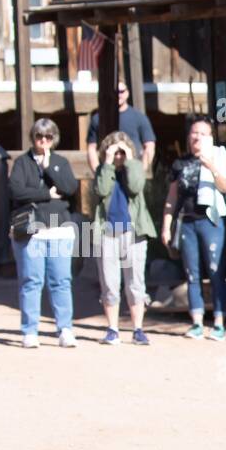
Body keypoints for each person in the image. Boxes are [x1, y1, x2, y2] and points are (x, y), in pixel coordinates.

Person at [8, 118, 80, 349]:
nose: (43, 141)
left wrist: (49, 167)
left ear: (54, 138)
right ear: (33, 137)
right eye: (39, 136)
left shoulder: (60, 162)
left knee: (61, 281)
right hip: (32, 230)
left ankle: (65, 329)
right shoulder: (22, 163)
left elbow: (70, 188)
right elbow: (16, 191)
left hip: (59, 228)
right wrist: (46, 194)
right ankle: (30, 330)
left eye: (48, 137)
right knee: (31, 280)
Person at [162, 115, 226, 340]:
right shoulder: (180, 163)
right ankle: (197, 322)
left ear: (210, 137)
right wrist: (166, 224)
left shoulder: (219, 157)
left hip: (210, 220)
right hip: (187, 222)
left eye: (202, 133)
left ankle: (219, 322)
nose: (197, 137)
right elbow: (172, 197)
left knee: (215, 270)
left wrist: (210, 165)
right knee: (192, 273)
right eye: (194, 133)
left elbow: (224, 187)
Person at [91, 130, 156, 346]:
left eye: (121, 152)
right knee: (109, 282)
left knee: (135, 281)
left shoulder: (135, 167)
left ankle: (138, 329)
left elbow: (136, 186)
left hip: (133, 232)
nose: (118, 156)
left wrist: (129, 160)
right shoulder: (103, 170)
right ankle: (112, 329)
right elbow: (101, 190)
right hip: (108, 232)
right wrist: (108, 162)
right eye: (114, 152)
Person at [86, 81, 156, 171]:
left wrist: (141, 171)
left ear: (127, 93)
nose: (119, 95)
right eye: (116, 92)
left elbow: (150, 145)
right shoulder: (98, 118)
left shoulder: (139, 117)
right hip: (108, 170)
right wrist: (97, 172)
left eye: (121, 91)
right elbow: (91, 148)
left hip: (132, 170)